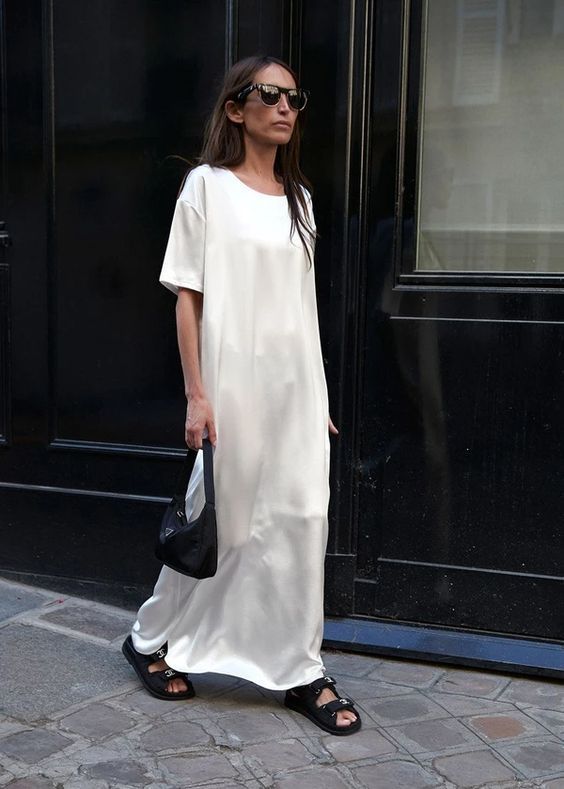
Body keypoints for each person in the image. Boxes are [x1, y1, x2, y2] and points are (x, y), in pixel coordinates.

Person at [122, 55, 361, 736]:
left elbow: (302, 308)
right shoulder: (205, 187)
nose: (286, 108)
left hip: (295, 393)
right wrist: (197, 394)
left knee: (301, 519)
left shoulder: (300, 199)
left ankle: (301, 668)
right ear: (235, 108)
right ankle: (148, 638)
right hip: (230, 388)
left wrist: (316, 395)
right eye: (270, 95)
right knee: (222, 526)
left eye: (295, 98)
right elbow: (187, 297)